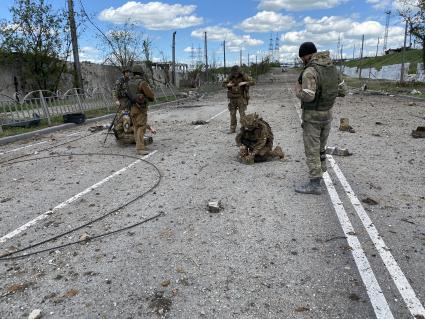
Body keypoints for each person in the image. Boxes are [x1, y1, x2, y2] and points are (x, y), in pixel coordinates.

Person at [294, 42, 347, 195]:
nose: (302, 60)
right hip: (327, 115)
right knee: (321, 149)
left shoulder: (310, 71)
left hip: (313, 117)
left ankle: (315, 184)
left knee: (312, 150)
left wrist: (297, 91)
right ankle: (321, 176)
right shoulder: (332, 68)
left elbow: (308, 96)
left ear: (305, 55)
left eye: (302, 57)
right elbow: (343, 91)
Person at [127, 64, 155, 155]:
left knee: (136, 127)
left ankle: (139, 145)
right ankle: (140, 148)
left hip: (132, 108)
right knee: (141, 127)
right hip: (141, 108)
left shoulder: (129, 82)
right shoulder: (142, 83)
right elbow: (150, 94)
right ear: (141, 73)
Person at [223, 65, 255, 134]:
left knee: (242, 114)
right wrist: (228, 85)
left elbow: (253, 82)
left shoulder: (244, 75)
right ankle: (232, 129)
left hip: (241, 97)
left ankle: (243, 128)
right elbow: (223, 84)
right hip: (232, 98)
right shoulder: (230, 76)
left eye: (237, 73)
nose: (235, 75)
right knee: (232, 114)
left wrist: (245, 82)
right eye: (234, 73)